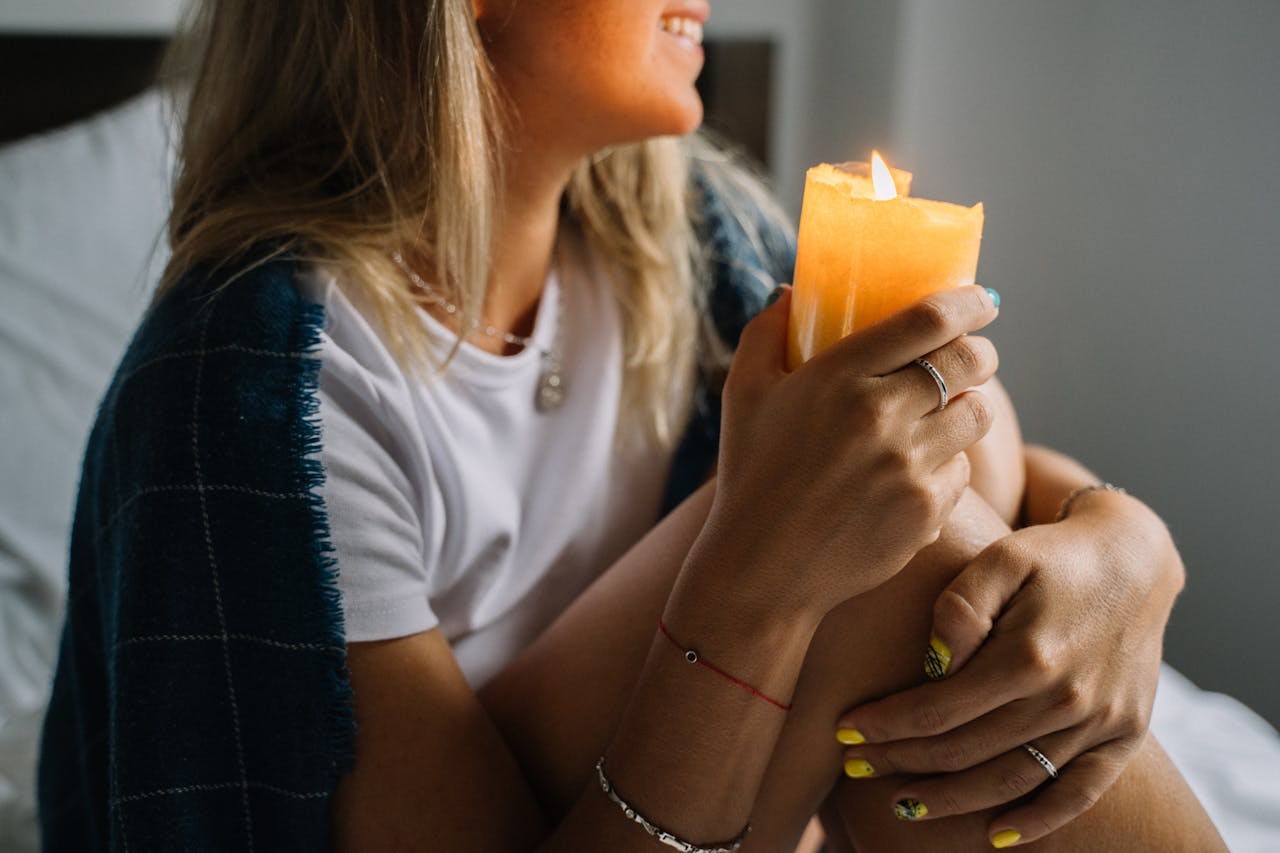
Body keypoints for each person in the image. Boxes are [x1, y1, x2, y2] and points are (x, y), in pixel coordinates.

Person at [37, 1, 1226, 851]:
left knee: (903, 493)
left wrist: (1118, 544)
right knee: (893, 536)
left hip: (711, 790)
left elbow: (976, 455)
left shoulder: (690, 244)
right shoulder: (260, 393)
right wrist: (759, 577)